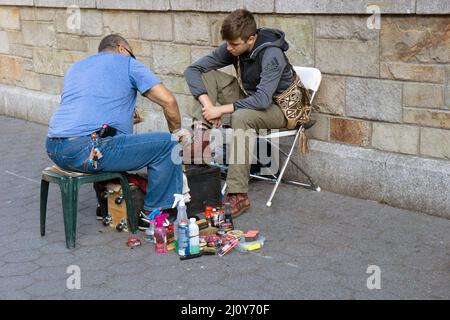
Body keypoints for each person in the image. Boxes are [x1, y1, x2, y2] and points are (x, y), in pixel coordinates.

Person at [46, 34, 189, 230]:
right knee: (168, 144)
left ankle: (106, 205)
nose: (131, 58)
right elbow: (169, 101)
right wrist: (177, 135)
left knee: (115, 142)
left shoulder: (77, 66)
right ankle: (153, 214)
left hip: (55, 148)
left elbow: (85, 109)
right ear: (122, 49)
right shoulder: (127, 63)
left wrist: (122, 117)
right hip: (86, 150)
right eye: (131, 54)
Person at [184, 9, 296, 217]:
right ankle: (201, 142)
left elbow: (262, 100)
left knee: (241, 117)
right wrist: (209, 107)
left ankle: (238, 195)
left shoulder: (272, 54)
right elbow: (193, 70)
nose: (228, 48)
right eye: (227, 43)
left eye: (234, 44)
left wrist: (220, 109)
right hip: (249, 97)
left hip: (281, 108)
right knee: (207, 74)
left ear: (251, 38)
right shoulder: (234, 45)